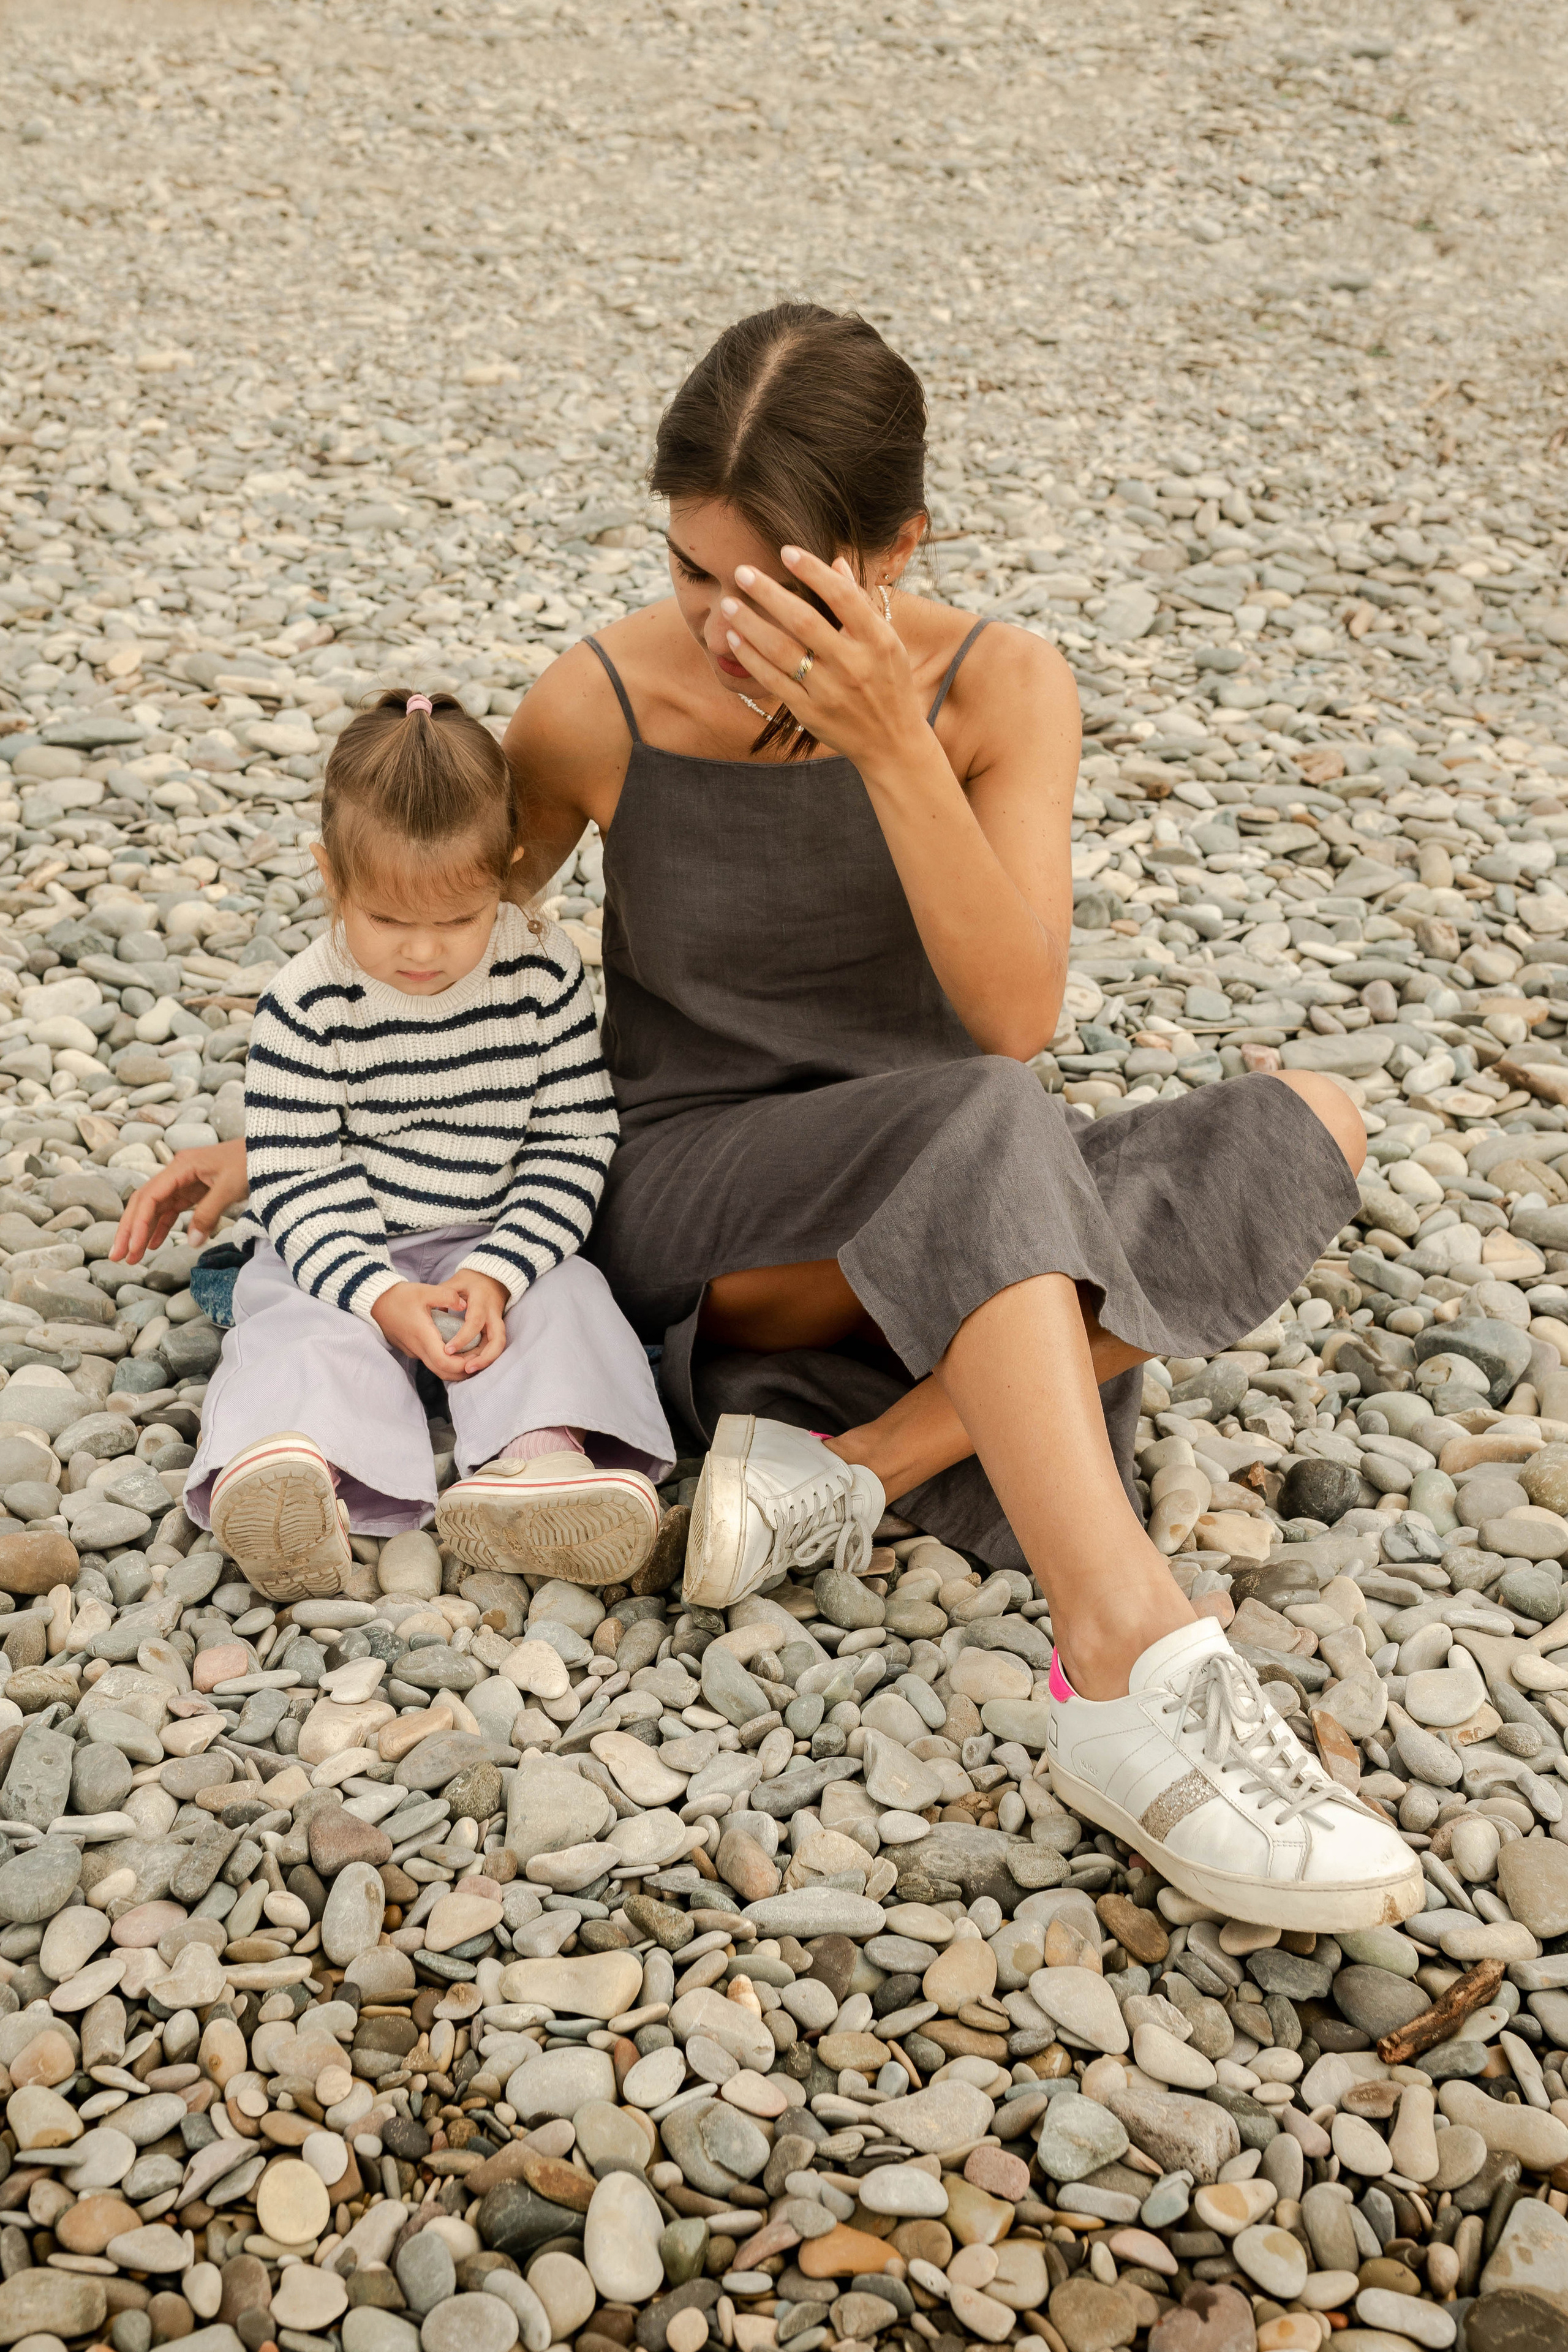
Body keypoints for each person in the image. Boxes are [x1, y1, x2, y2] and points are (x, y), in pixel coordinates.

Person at [118, 307, 1420, 1928]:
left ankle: (859, 1465)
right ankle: (1127, 1656)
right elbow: (434, 945)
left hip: (953, 1192)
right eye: (691, 575)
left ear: (898, 552)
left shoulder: (1003, 685)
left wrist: (890, 743)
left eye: (784, 588)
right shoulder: (599, 700)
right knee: (991, 1129)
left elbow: (1013, 1009)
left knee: (1311, 1119)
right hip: (695, 1208)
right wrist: (285, 1141)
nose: (728, 629)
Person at [178, 688, 673, 1603]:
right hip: (349, 1247)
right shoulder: (308, 1002)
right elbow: (296, 1177)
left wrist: (501, 1271)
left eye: (457, 923)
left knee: (568, 1302)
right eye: (389, 923)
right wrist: (380, 1291)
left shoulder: (540, 970)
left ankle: (541, 1464)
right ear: (332, 880)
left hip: (491, 1239)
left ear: (507, 872)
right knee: (299, 1326)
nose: (422, 955)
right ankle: (298, 1481)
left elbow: (571, 1139)